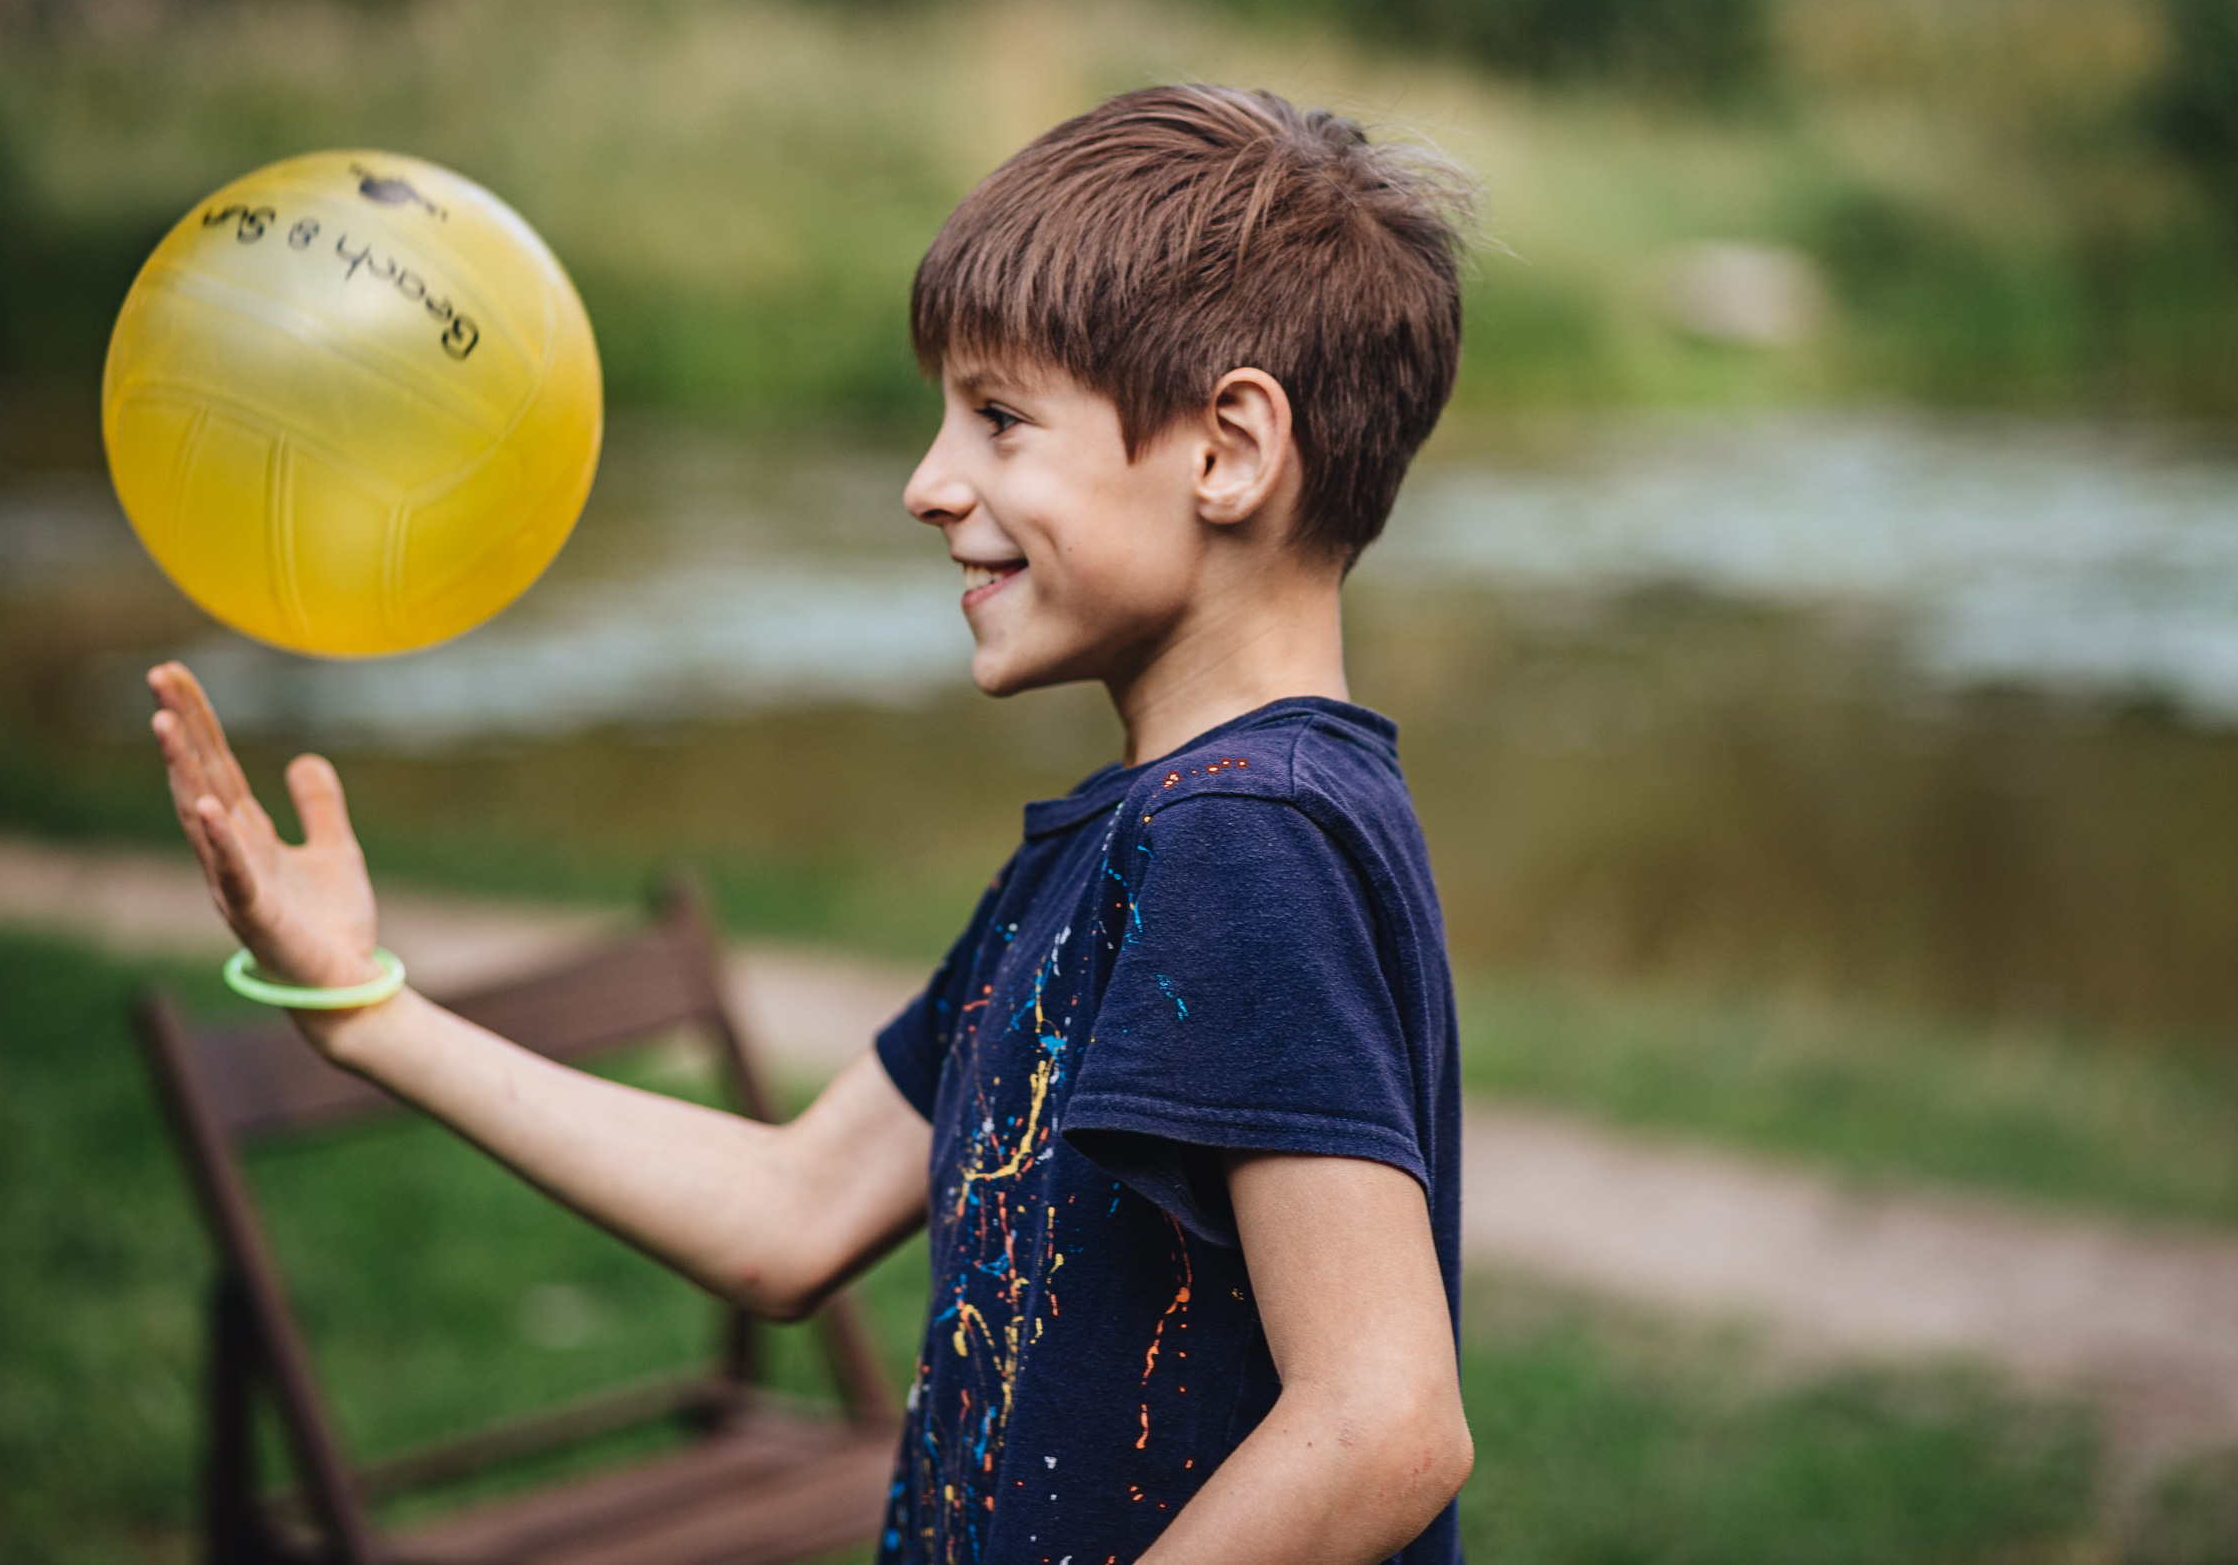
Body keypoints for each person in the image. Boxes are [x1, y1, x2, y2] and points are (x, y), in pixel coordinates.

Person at [147, 84, 1473, 1565]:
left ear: (1228, 448)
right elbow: (791, 1210)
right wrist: (359, 1002)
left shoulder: (1250, 841)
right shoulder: (1136, 840)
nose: (928, 482)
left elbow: (1382, 1422)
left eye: (1001, 418)